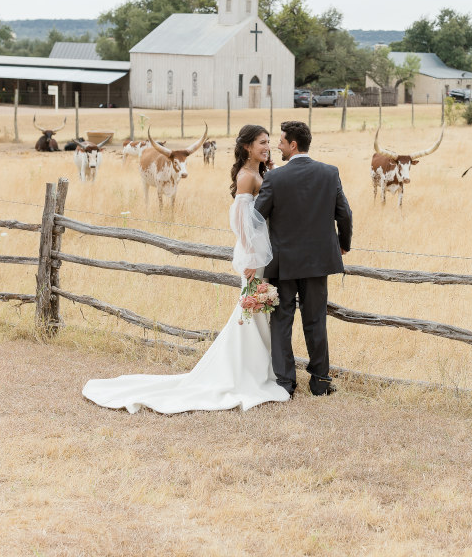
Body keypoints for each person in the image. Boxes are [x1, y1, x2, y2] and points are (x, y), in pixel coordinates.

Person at [81, 125, 290, 413]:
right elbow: (241, 221)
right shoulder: (245, 177)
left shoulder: (260, 172)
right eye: (262, 143)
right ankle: (248, 373)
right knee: (251, 309)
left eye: (269, 142)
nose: (268, 146)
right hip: (255, 254)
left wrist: (271, 167)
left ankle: (259, 368)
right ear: (247, 147)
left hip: (263, 249)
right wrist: (252, 257)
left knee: (256, 311)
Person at [254, 120, 352, 397]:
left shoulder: (275, 178)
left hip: (284, 263)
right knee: (315, 321)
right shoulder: (330, 173)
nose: (278, 146)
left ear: (293, 144)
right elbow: (344, 214)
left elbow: (257, 217)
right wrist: (342, 244)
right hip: (318, 262)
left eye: (282, 141)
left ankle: (285, 383)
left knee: (282, 322)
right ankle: (320, 382)